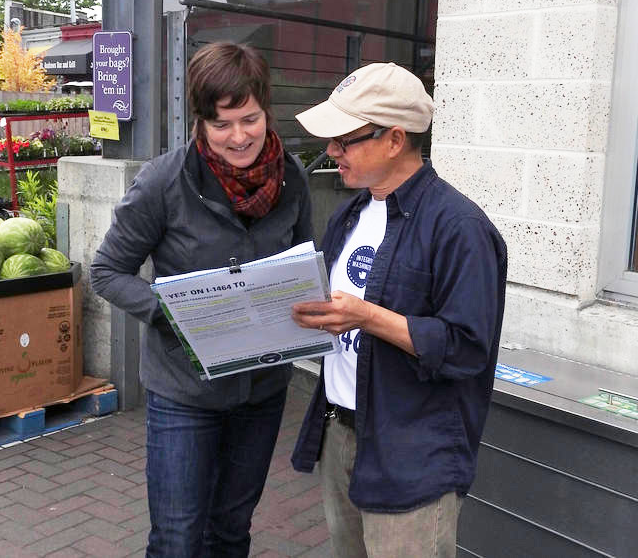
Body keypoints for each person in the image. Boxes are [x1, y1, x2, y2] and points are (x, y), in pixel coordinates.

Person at [90, 42, 313, 557]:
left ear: (266, 109)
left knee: (231, 531)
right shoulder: (165, 182)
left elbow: (302, 262)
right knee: (177, 538)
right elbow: (108, 271)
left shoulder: (293, 179)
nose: (239, 137)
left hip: (261, 390)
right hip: (184, 393)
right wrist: (177, 314)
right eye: (222, 124)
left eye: (250, 119)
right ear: (201, 123)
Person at [289, 62, 507, 557]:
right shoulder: (350, 213)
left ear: (393, 139)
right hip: (340, 432)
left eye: (345, 140)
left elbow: (467, 349)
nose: (331, 152)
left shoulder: (460, 228)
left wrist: (368, 317)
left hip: (413, 453)